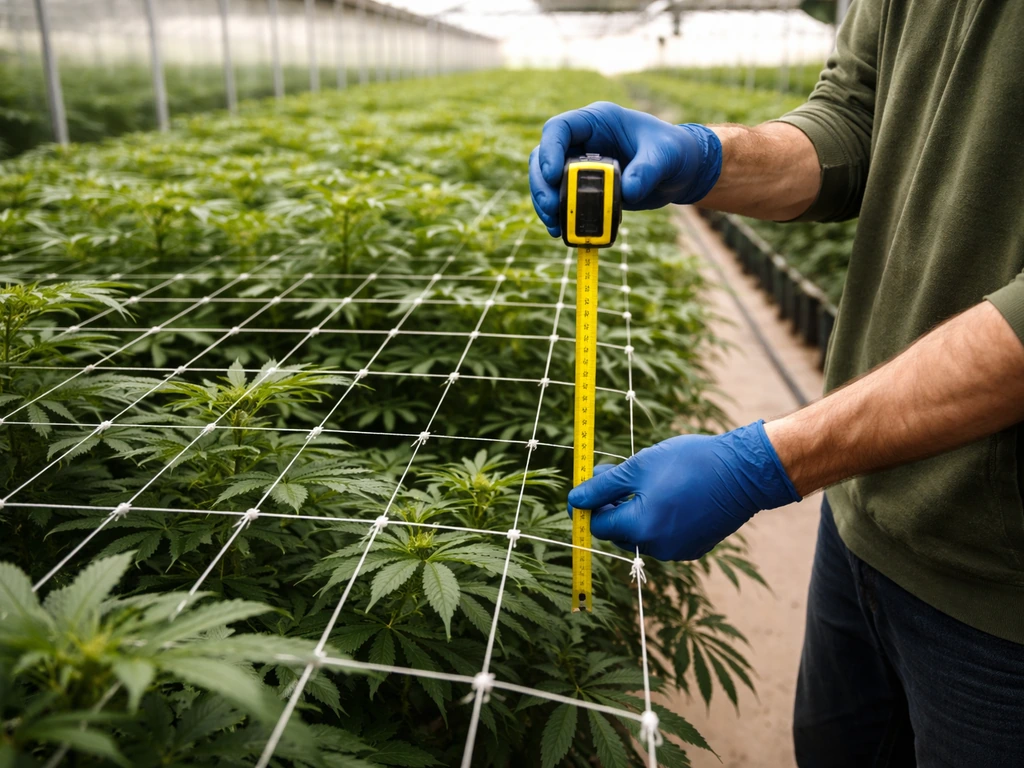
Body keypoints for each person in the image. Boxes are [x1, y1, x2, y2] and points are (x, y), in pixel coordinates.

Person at [529, 2, 1024, 767]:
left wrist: (769, 462)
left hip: (1002, 595)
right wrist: (702, 157)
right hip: (864, 512)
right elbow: (856, 116)